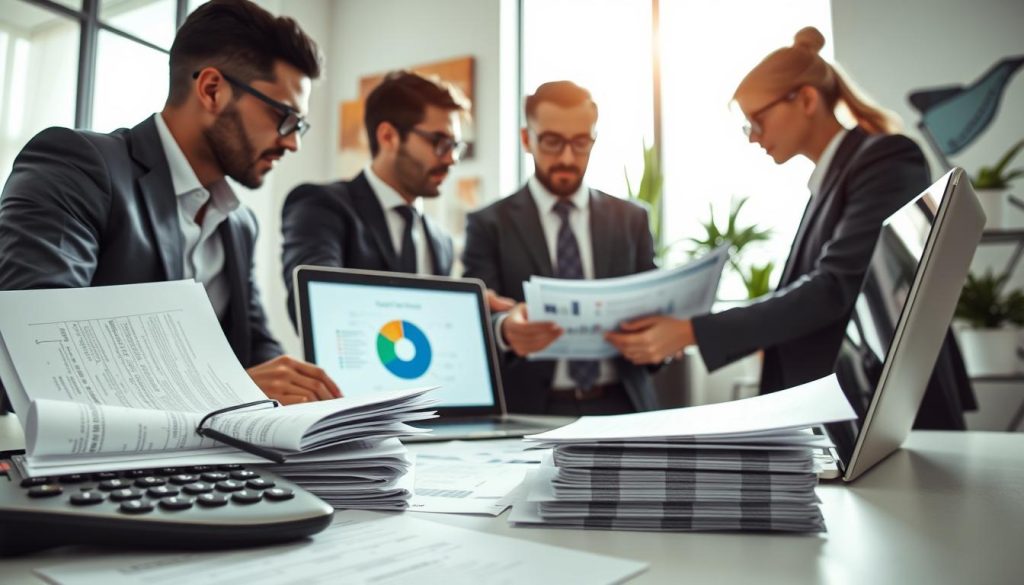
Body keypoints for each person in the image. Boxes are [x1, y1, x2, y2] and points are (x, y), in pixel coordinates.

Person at [606, 27, 974, 428]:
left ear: (807, 99)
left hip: (891, 407)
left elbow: (835, 287)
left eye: (757, 120)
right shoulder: (829, 180)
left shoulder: (884, 158)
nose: (754, 138)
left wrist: (692, 332)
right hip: (855, 407)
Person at [0, 0, 340, 407]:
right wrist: (229, 391)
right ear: (212, 89)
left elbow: (259, 354)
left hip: (200, 461)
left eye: (300, 126)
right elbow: (38, 353)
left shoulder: (239, 225)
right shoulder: (79, 164)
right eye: (284, 117)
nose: (293, 142)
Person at [462, 81, 658, 416]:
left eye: (580, 143)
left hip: (624, 404)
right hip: (531, 408)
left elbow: (652, 301)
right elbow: (480, 309)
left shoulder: (631, 219)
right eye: (552, 142)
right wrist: (505, 329)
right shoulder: (489, 224)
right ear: (527, 139)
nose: (567, 157)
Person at [280, 71, 472, 326]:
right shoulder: (321, 205)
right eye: (440, 142)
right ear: (388, 136)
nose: (451, 159)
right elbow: (317, 307)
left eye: (456, 146)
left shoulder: (441, 242)